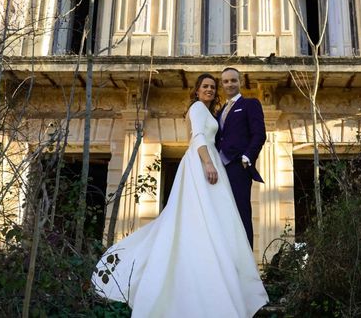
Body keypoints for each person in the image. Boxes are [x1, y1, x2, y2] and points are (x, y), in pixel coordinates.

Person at [92, 73, 268, 317]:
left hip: (216, 164)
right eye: (205, 86)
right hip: (202, 164)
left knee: (212, 221)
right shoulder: (197, 108)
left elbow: (246, 134)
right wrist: (207, 163)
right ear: (196, 91)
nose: (210, 89)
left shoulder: (217, 111)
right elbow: (197, 137)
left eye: (212, 87)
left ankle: (215, 276)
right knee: (200, 217)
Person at [215, 67, 266, 249]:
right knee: (222, 214)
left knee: (241, 212)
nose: (230, 84)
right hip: (220, 169)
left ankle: (247, 262)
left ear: (240, 82)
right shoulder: (220, 112)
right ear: (222, 84)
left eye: (233, 80)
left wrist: (246, 158)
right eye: (226, 81)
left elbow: (259, 134)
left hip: (238, 166)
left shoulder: (250, 104)